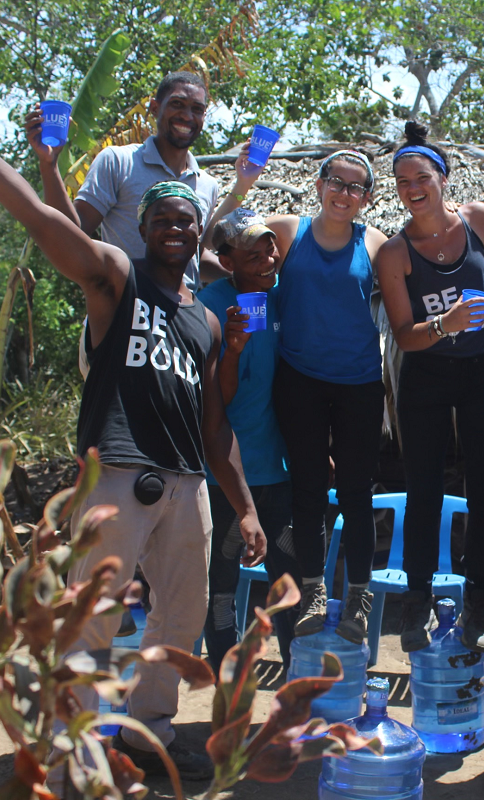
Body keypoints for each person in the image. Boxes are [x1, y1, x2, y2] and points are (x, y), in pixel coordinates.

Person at [0, 78, 265, 782]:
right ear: (141, 231)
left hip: (184, 484)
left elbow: (215, 424)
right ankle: (70, 745)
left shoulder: (204, 322)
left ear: (200, 235)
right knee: (95, 616)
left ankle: (150, 733)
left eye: (187, 222)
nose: (176, 229)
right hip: (117, 469)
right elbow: (41, 221)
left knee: (181, 620)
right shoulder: (116, 279)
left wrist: (245, 505)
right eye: (162, 221)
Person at [214, 149, 388, 645]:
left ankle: (358, 593)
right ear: (318, 183)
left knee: (357, 493)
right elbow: (227, 238)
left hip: (359, 382)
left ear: (367, 198)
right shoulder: (287, 232)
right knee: (308, 490)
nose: (344, 192)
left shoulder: (374, 243)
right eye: (336, 181)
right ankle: (313, 588)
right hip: (300, 379)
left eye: (356, 187)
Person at [375, 121, 484, 653]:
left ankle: (481, 600)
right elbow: (406, 338)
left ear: (442, 177)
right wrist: (446, 324)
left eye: (422, 176)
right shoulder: (393, 253)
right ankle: (416, 601)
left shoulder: (477, 220)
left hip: (483, 370)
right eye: (401, 180)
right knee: (424, 490)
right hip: (426, 374)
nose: (412, 187)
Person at [197, 207, 299, 673]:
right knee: (221, 584)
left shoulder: (282, 297)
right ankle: (227, 684)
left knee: (289, 581)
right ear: (226, 261)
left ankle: (298, 678)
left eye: (269, 249)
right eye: (251, 255)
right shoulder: (208, 307)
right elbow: (217, 401)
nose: (266, 261)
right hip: (224, 474)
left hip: (276, 468)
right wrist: (232, 350)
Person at [25, 70, 225, 292]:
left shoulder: (207, 184)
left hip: (182, 316)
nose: (187, 116)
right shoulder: (119, 162)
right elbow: (73, 233)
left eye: (197, 109)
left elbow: (194, 256)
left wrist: (239, 275)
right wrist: (49, 165)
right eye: (177, 104)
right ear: (155, 108)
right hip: (124, 307)